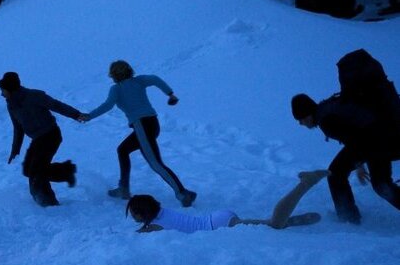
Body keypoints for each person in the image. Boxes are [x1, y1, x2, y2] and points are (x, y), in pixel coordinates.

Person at [79, 60, 196, 207]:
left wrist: (89, 116)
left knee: (155, 163)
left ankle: (183, 193)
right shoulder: (139, 81)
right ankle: (124, 188)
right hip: (152, 124)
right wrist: (170, 94)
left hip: (142, 125)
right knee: (123, 150)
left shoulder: (116, 89)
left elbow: (108, 105)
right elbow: (155, 79)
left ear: (113, 75)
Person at [291, 93, 400, 224]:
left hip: (379, 140)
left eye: (300, 119)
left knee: (335, 174)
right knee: (381, 184)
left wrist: (359, 165)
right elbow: (356, 137)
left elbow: (357, 140)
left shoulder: (326, 119)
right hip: (381, 138)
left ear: (307, 114)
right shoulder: (327, 110)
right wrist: (359, 162)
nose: (300, 123)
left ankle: (348, 218)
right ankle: (348, 216)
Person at [126, 170, 329, 233]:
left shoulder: (153, 226)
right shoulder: (162, 213)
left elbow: (132, 238)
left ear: (142, 212)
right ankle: (291, 222)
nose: (132, 216)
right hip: (218, 218)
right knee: (271, 225)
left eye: (133, 213)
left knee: (273, 224)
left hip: (219, 225)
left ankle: (305, 184)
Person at [0, 71, 82, 207]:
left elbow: (56, 105)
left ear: (10, 88)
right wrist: (15, 149)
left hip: (51, 135)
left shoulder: (34, 96)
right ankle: (66, 171)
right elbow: (18, 127)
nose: (1, 94)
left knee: (37, 170)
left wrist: (76, 115)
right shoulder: (11, 104)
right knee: (28, 170)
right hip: (38, 139)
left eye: (3, 90)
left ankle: (48, 202)